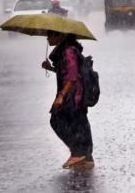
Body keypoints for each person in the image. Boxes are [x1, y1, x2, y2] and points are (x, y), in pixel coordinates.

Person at [42, 31, 94, 170]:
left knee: (57, 120)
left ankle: (77, 152)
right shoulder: (66, 50)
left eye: (50, 35)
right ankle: (87, 158)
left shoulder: (68, 51)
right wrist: (51, 68)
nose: (47, 38)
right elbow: (65, 72)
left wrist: (61, 95)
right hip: (75, 92)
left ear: (59, 36)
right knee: (80, 123)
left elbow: (72, 76)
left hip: (73, 94)